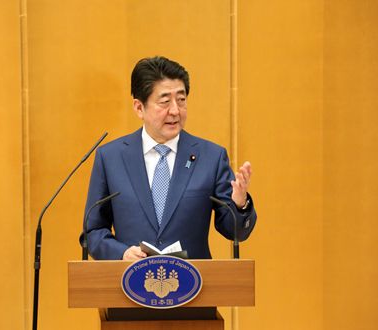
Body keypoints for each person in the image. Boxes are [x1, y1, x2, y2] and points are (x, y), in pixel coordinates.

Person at [83, 56, 257, 260]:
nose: (175, 110)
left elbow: (235, 232)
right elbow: (92, 232)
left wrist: (239, 204)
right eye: (165, 102)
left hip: (195, 284)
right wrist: (122, 253)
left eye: (181, 100)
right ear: (139, 108)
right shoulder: (110, 158)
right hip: (130, 283)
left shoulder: (211, 157)